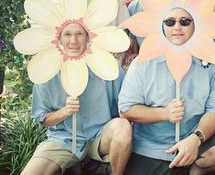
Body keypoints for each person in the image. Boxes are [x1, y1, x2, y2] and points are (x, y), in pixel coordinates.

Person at [119, 7, 215, 175]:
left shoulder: (214, 61)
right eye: (170, 22)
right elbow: (126, 109)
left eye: (185, 21)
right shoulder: (142, 62)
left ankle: (195, 171)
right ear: (162, 26)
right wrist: (164, 113)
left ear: (196, 24)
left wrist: (196, 139)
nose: (177, 27)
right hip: (152, 145)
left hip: (197, 136)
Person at [21, 22, 132, 175]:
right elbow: (43, 118)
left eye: (79, 34)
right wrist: (64, 112)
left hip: (100, 137)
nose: (73, 41)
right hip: (64, 140)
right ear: (59, 38)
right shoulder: (46, 72)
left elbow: (127, 108)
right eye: (67, 34)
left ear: (88, 37)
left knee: (123, 127)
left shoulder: (109, 68)